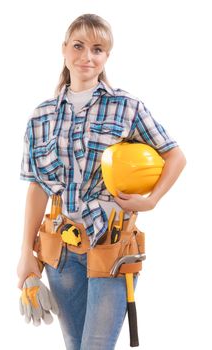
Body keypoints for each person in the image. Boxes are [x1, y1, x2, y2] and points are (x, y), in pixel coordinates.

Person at [17, 13, 186, 350]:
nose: (87, 56)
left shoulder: (127, 107)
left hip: (112, 245)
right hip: (60, 250)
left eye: (97, 49)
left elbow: (175, 156)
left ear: (107, 56)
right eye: (78, 46)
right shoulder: (41, 115)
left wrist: (151, 200)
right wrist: (26, 253)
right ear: (64, 50)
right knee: (74, 345)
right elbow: (37, 186)